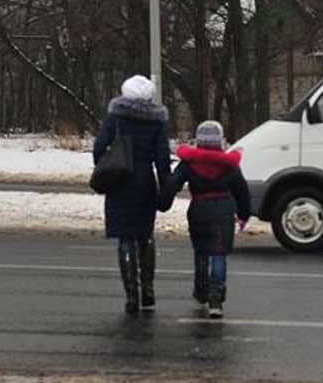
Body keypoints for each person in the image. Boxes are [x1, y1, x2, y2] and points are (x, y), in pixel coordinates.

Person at [93, 75, 171, 315]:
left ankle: (131, 296)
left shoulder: (115, 118)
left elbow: (99, 148)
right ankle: (148, 291)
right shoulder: (156, 122)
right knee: (145, 237)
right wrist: (165, 189)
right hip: (144, 184)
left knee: (125, 238)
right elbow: (162, 160)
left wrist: (108, 165)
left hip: (119, 183)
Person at [160, 121, 251, 319]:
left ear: (198, 141)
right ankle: (216, 298)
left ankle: (201, 291)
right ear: (221, 141)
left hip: (199, 210)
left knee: (201, 251)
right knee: (219, 254)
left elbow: (172, 184)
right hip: (224, 210)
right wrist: (244, 215)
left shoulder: (189, 164)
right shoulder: (229, 166)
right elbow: (242, 191)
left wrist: (163, 203)